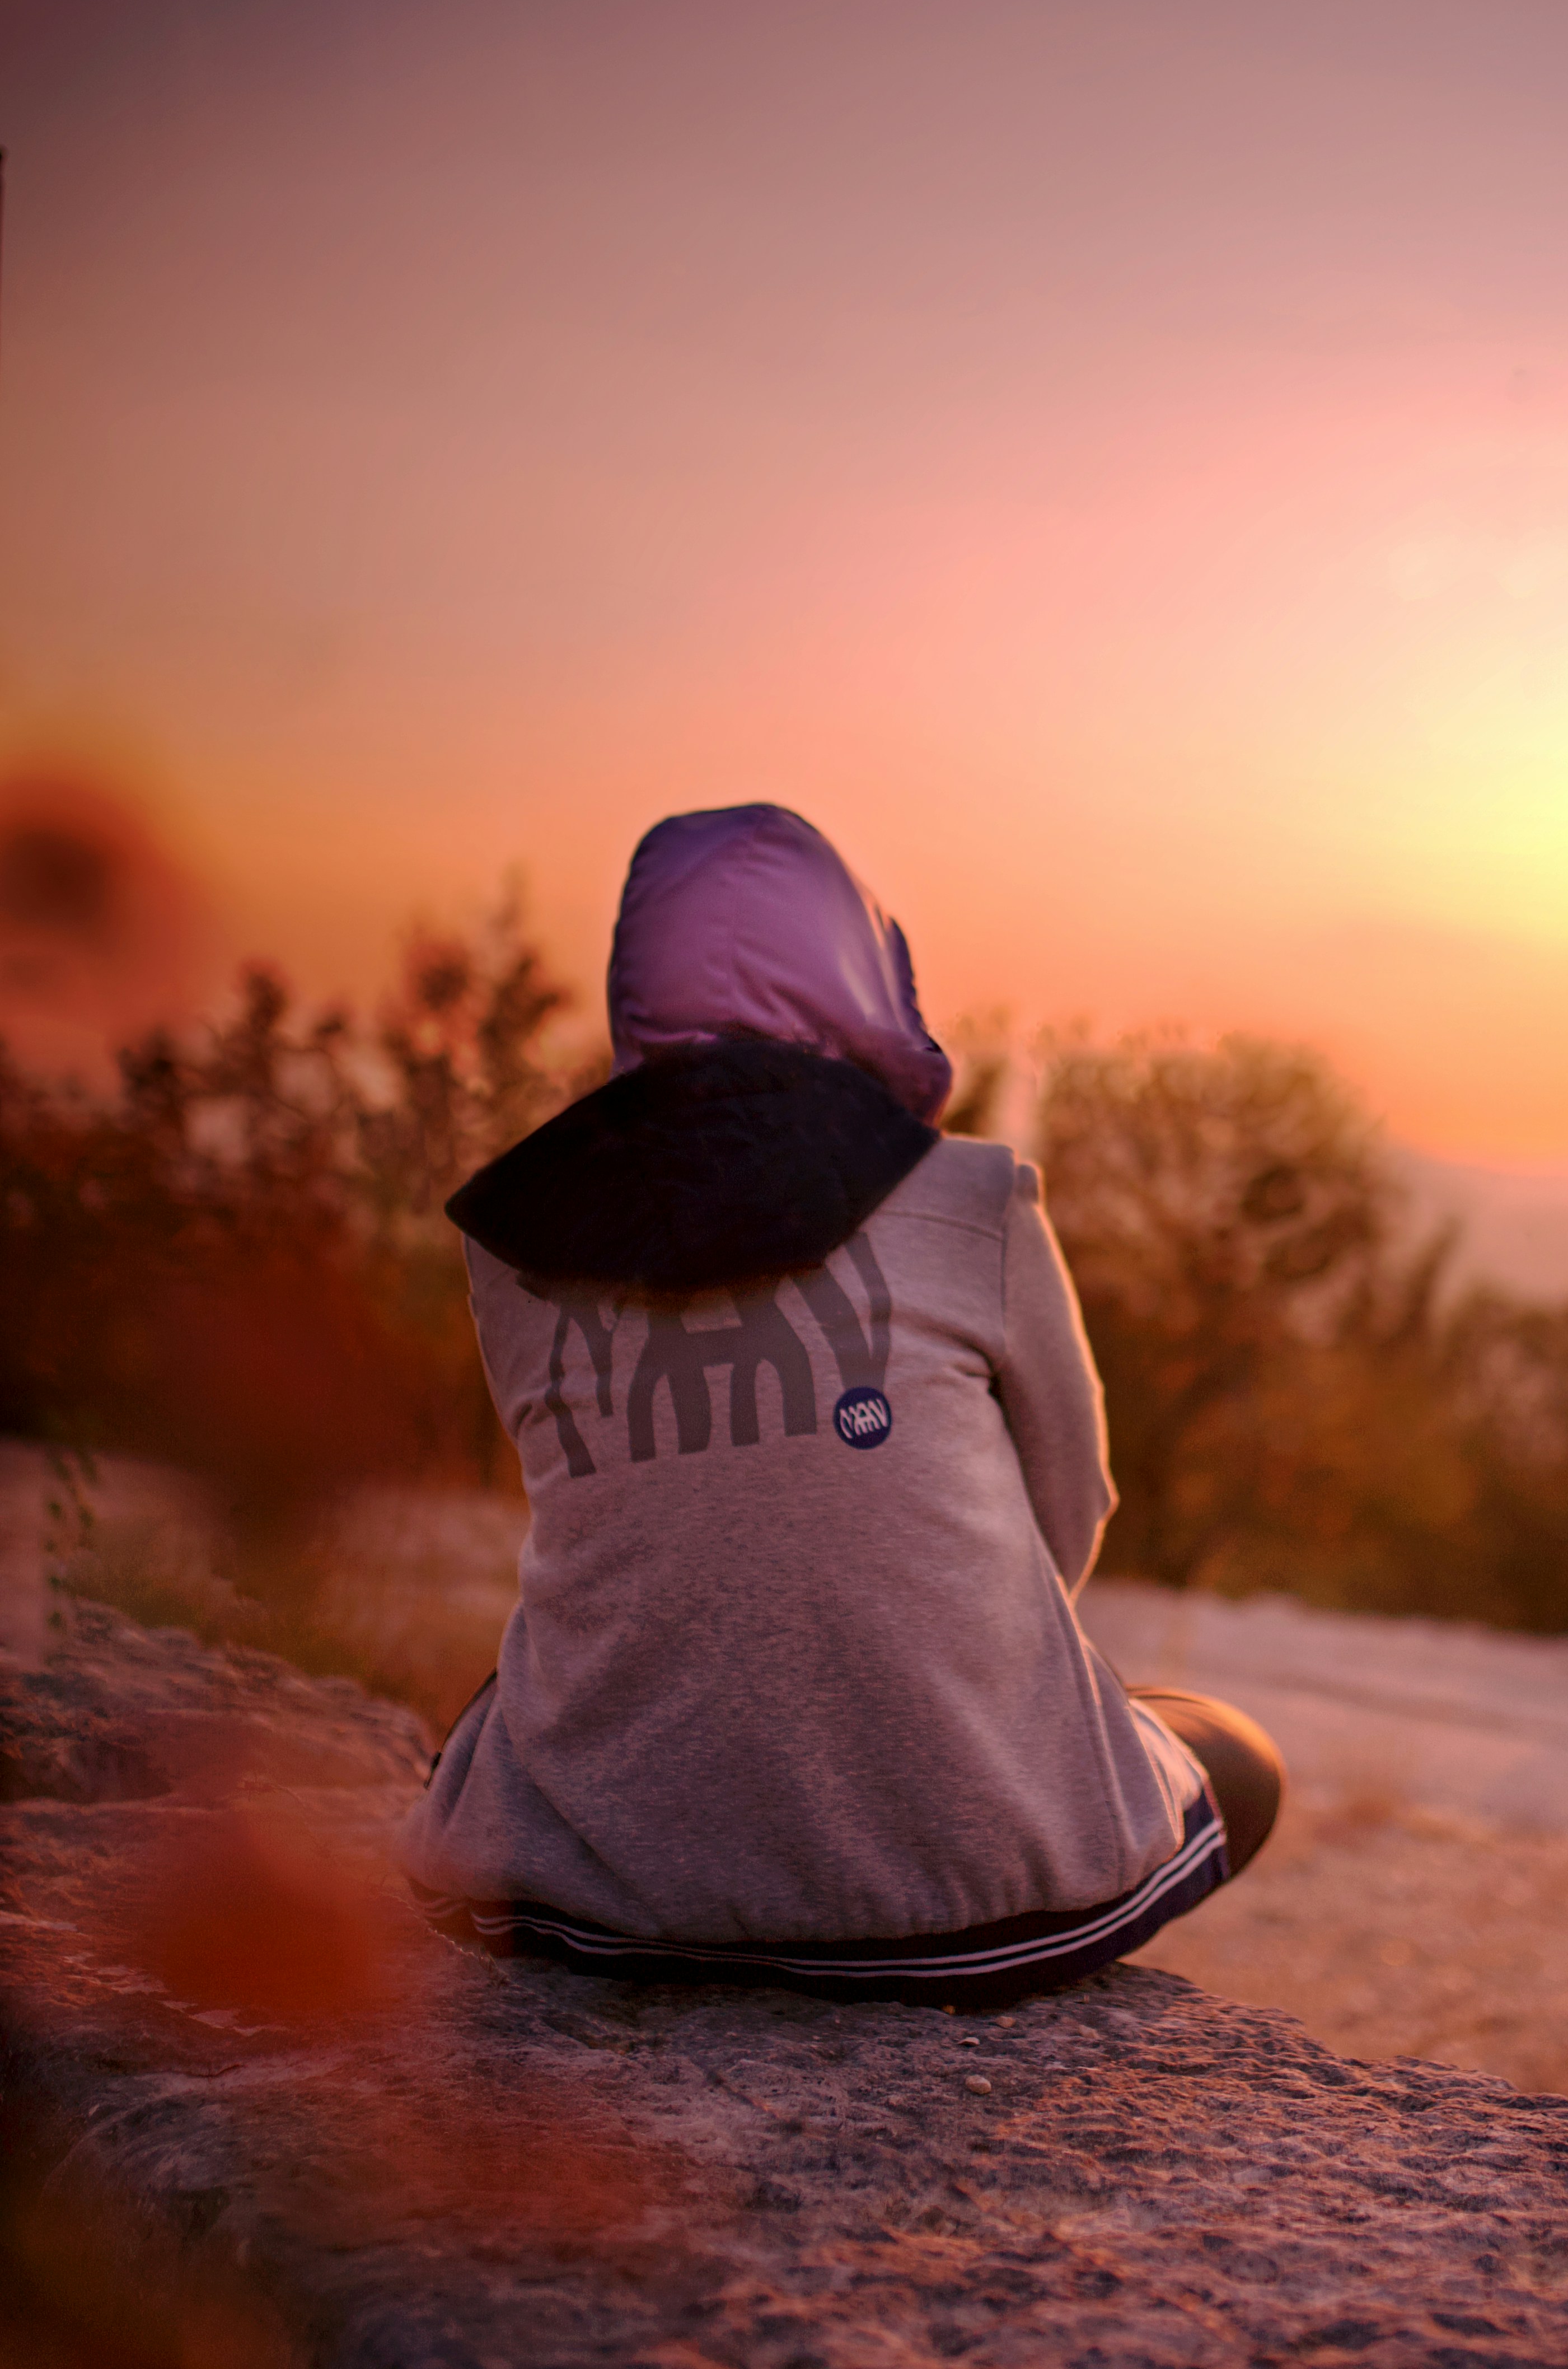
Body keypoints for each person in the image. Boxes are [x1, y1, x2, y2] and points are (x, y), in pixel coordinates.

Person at [399, 802, 1283, 2006]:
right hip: (977, 1909)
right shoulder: (972, 1198)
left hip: (596, 1903)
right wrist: (940, 1665)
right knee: (1232, 1752)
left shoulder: (512, 1239)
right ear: (864, 971)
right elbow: (1070, 1506)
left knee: (493, 1717)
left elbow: (614, 1520)